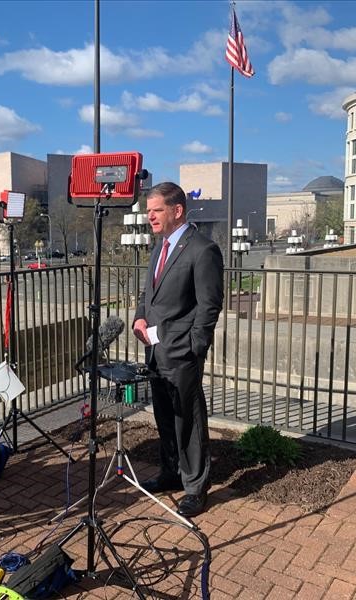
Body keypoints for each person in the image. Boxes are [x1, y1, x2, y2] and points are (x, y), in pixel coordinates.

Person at [132, 182, 224, 518]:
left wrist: (194, 348)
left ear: (177, 210)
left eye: (156, 210)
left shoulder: (202, 249)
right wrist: (139, 319)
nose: (150, 216)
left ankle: (195, 487)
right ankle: (171, 472)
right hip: (154, 349)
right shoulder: (159, 247)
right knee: (164, 416)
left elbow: (209, 305)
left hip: (182, 352)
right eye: (149, 211)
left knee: (188, 420)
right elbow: (147, 296)